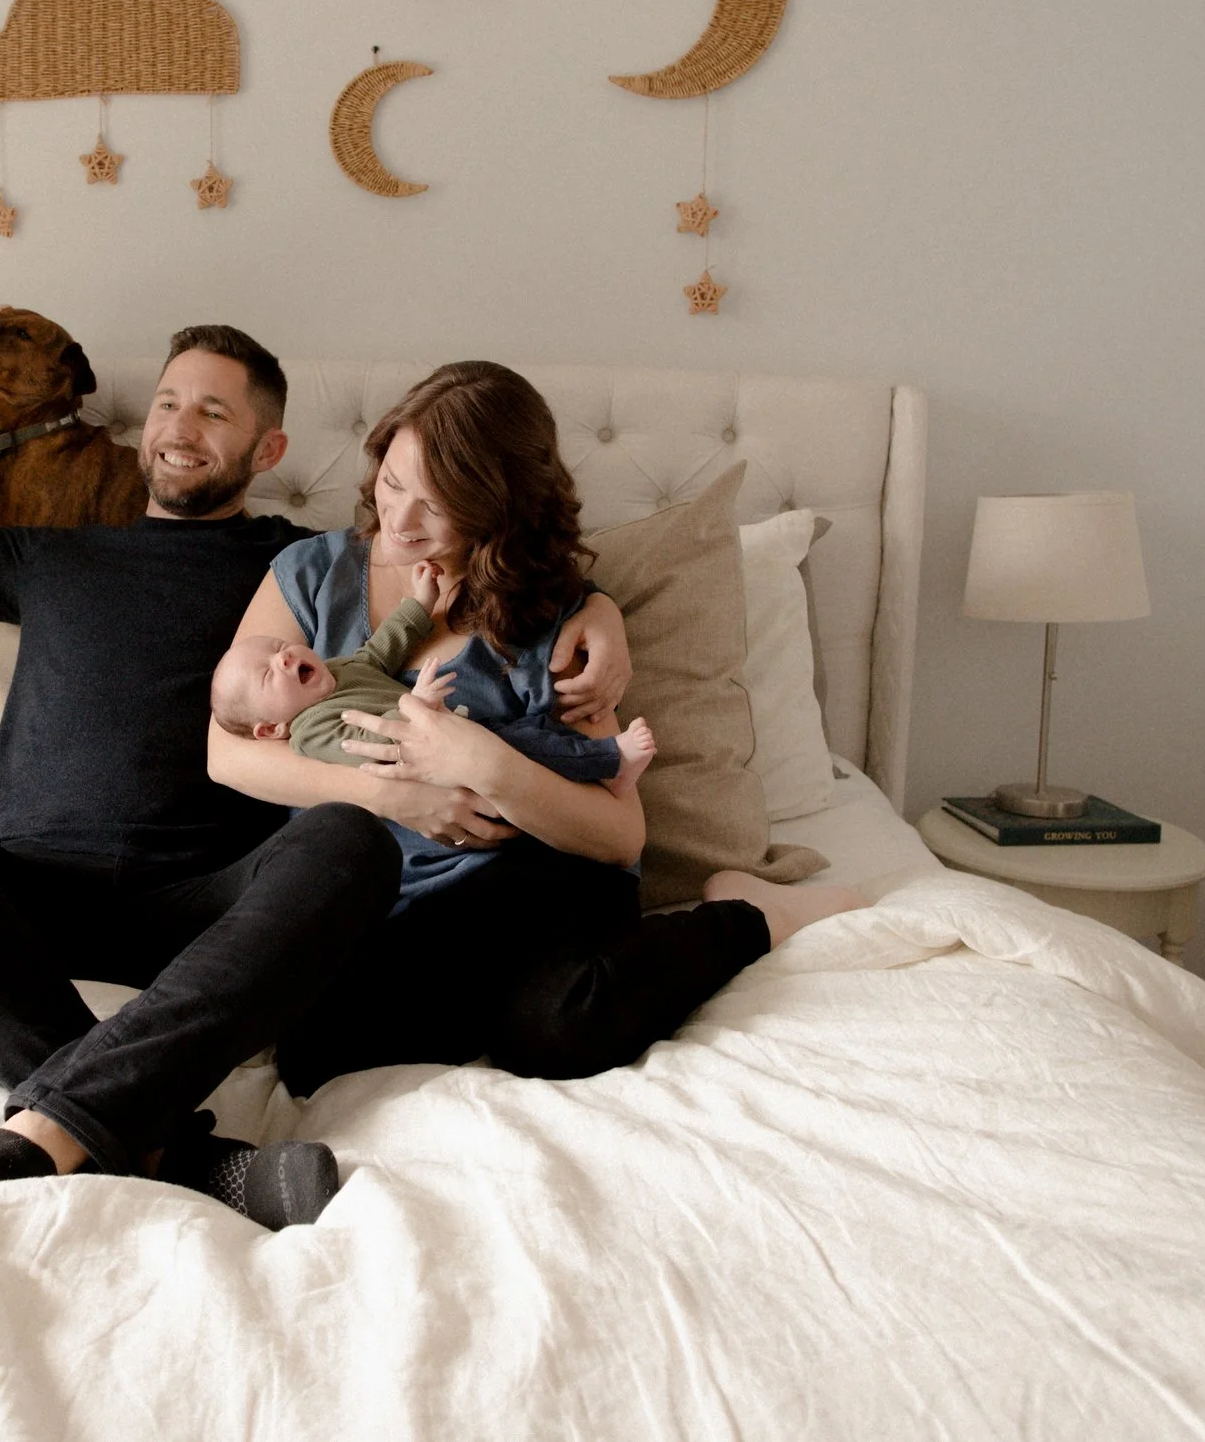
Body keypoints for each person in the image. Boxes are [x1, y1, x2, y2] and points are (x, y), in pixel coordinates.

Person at [0, 322, 634, 1228]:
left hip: (218, 914)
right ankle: (173, 1149)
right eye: (166, 402)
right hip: (29, 889)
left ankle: (84, 1126)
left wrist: (598, 605)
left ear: (268, 448)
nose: (179, 426)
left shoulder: (294, 562)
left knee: (348, 841)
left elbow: (469, 552)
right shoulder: (49, 554)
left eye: (214, 411)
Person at [211, 360, 865, 1095]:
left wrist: (482, 760)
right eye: (393, 483)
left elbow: (619, 835)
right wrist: (393, 797)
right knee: (313, 1054)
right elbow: (224, 750)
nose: (398, 522)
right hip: (397, 892)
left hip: (538, 871)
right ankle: (512, 998)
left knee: (559, 1031)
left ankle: (748, 915)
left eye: (437, 505)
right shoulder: (308, 575)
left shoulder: (549, 618)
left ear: (498, 509)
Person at [209, 557, 657, 799]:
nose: (285, 657)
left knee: (532, 734)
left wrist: (419, 603)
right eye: (270, 674)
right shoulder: (310, 730)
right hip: (439, 764)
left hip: (461, 735)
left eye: (278, 648)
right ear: (271, 729)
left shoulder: (340, 671)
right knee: (525, 749)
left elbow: (381, 649)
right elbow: (371, 748)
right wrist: (416, 708)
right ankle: (609, 761)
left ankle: (601, 769)